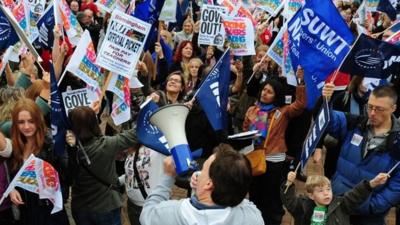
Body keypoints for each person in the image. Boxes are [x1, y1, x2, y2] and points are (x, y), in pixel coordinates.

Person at [322, 83, 400, 225]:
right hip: (339, 203)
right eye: (370, 106)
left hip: (368, 215)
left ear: (393, 109)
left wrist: (371, 206)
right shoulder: (356, 124)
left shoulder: (397, 143)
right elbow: (328, 121)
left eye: (379, 109)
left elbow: (397, 185)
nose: (372, 113)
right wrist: (326, 101)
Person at [139, 144, 264, 225]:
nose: (198, 173)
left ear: (209, 184)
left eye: (203, 169)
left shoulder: (168, 213)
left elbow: (147, 214)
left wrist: (167, 177)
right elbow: (240, 198)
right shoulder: (252, 217)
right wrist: (201, 186)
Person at [242, 69, 306, 225]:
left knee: (271, 195)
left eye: (270, 92)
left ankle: (273, 220)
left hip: (273, 159)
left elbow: (300, 105)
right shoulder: (252, 110)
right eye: (264, 89)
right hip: (254, 158)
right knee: (255, 193)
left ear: (276, 96)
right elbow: (245, 130)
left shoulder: (282, 112)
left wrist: (301, 83)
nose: (265, 93)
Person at [66, 106, 139, 225]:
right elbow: (135, 134)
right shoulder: (106, 145)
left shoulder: (68, 149)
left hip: (80, 208)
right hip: (106, 207)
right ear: (94, 124)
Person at [8, 98, 69, 225]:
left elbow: (68, 177)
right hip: (26, 211)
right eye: (21, 122)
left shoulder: (51, 143)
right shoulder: (15, 146)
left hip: (49, 212)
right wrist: (12, 190)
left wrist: (71, 148)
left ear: (38, 120)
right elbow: (12, 176)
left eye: (31, 121)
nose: (26, 126)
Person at [281, 171, 389, 225]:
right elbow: (289, 201)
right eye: (320, 191)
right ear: (311, 195)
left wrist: (371, 184)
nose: (326, 193)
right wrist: (289, 183)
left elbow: (356, 195)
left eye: (328, 189)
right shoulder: (302, 206)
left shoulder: (340, 204)